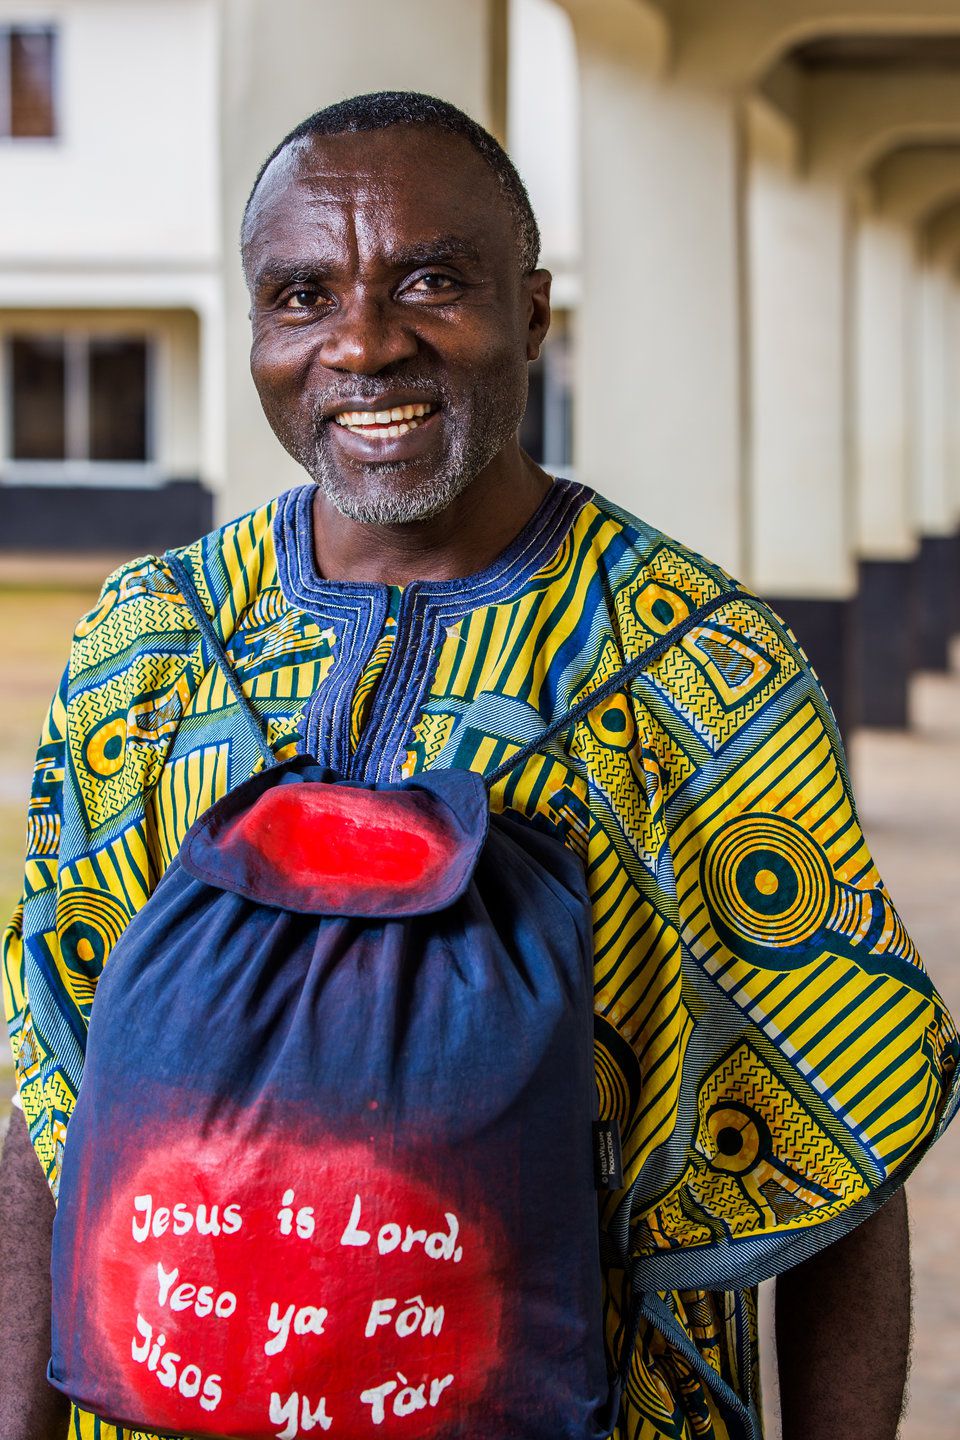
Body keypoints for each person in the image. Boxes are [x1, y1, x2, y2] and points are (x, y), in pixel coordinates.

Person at [1, 91, 957, 1440]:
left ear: (534, 313)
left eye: (432, 283)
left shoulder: (690, 665)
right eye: (301, 294)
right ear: (258, 331)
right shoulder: (145, 646)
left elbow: (842, 1147)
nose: (363, 343)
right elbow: (55, 1097)